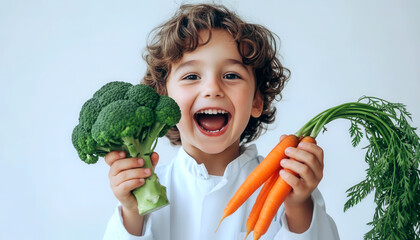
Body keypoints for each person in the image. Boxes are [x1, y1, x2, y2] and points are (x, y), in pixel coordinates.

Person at [103, 3, 339, 240]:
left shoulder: (291, 189)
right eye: (192, 76)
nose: (212, 89)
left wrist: (298, 206)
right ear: (165, 101)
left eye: (231, 75)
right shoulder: (148, 190)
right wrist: (132, 213)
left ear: (257, 101)